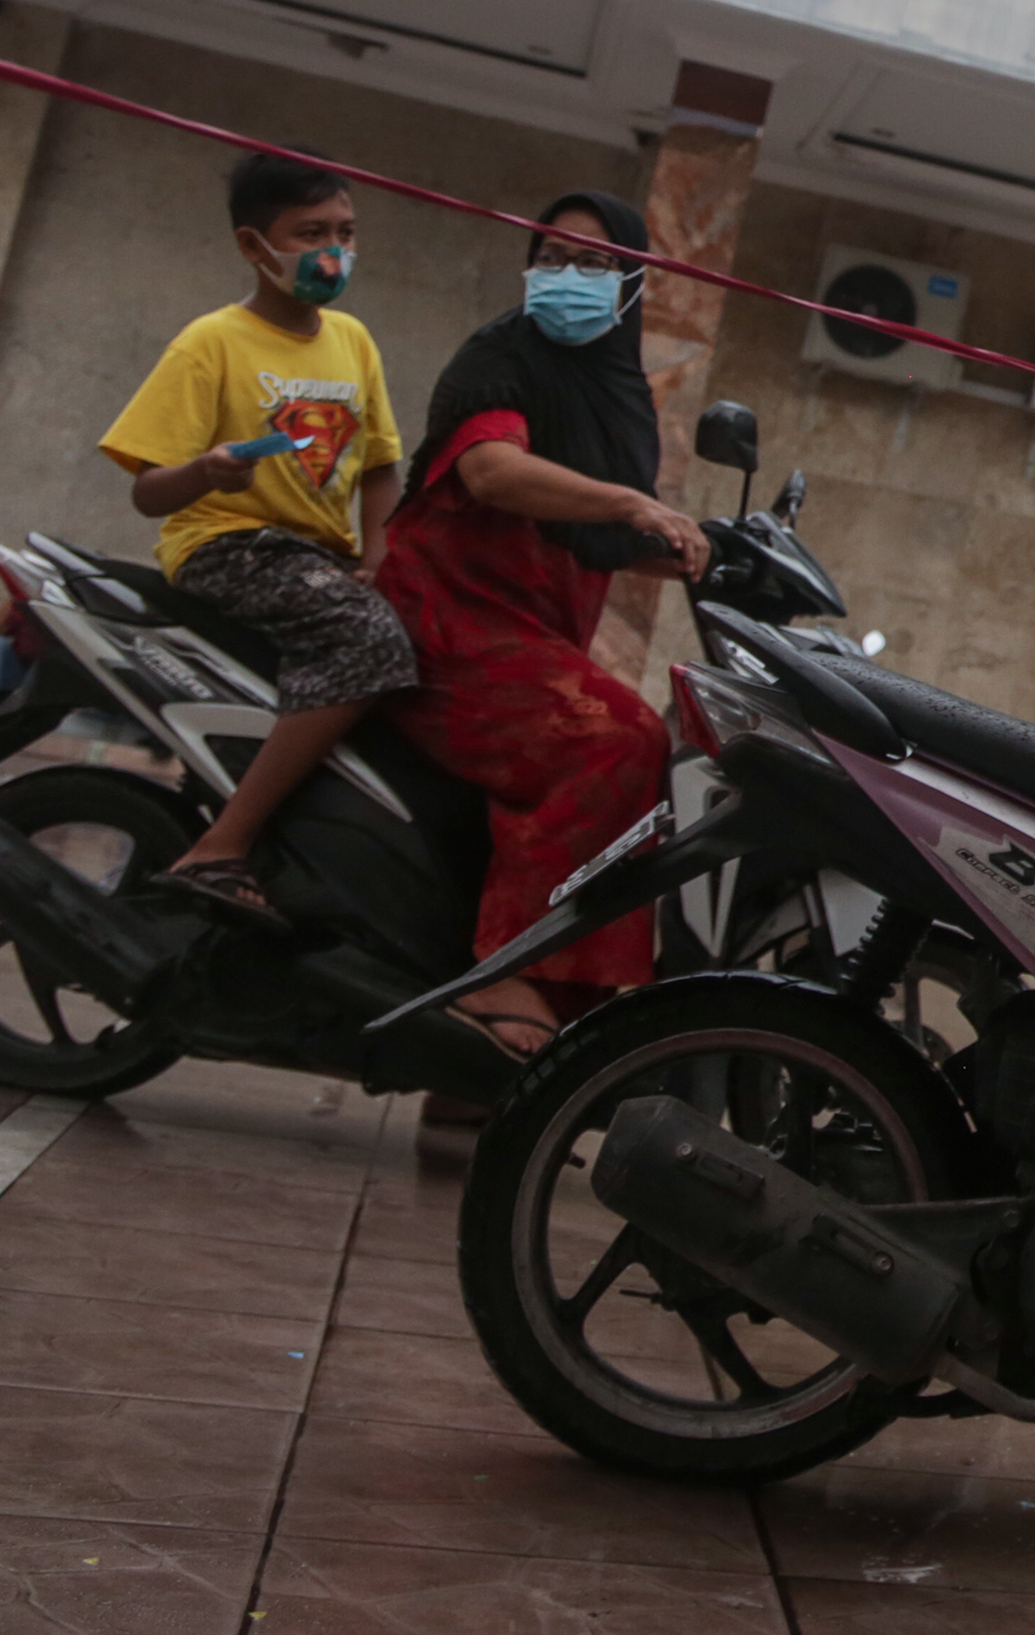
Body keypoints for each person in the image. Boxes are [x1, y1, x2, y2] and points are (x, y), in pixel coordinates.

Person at [372, 192, 704, 1065]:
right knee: (615, 739)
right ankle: (500, 971)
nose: (570, 278)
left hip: (529, 632)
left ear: (632, 282)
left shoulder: (616, 390)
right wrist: (637, 503)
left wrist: (704, 549)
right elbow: (493, 473)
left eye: (595, 264)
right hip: (446, 625)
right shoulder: (499, 358)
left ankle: (487, 1068)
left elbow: (589, 533)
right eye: (553, 256)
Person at [100, 152, 413, 921]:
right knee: (369, 640)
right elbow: (148, 491)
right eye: (310, 232)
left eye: (344, 230)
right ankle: (223, 844)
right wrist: (206, 471)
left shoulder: (354, 340)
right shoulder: (210, 342)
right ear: (253, 246)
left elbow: (379, 467)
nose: (334, 250)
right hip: (227, 542)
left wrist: (378, 558)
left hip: (318, 555)